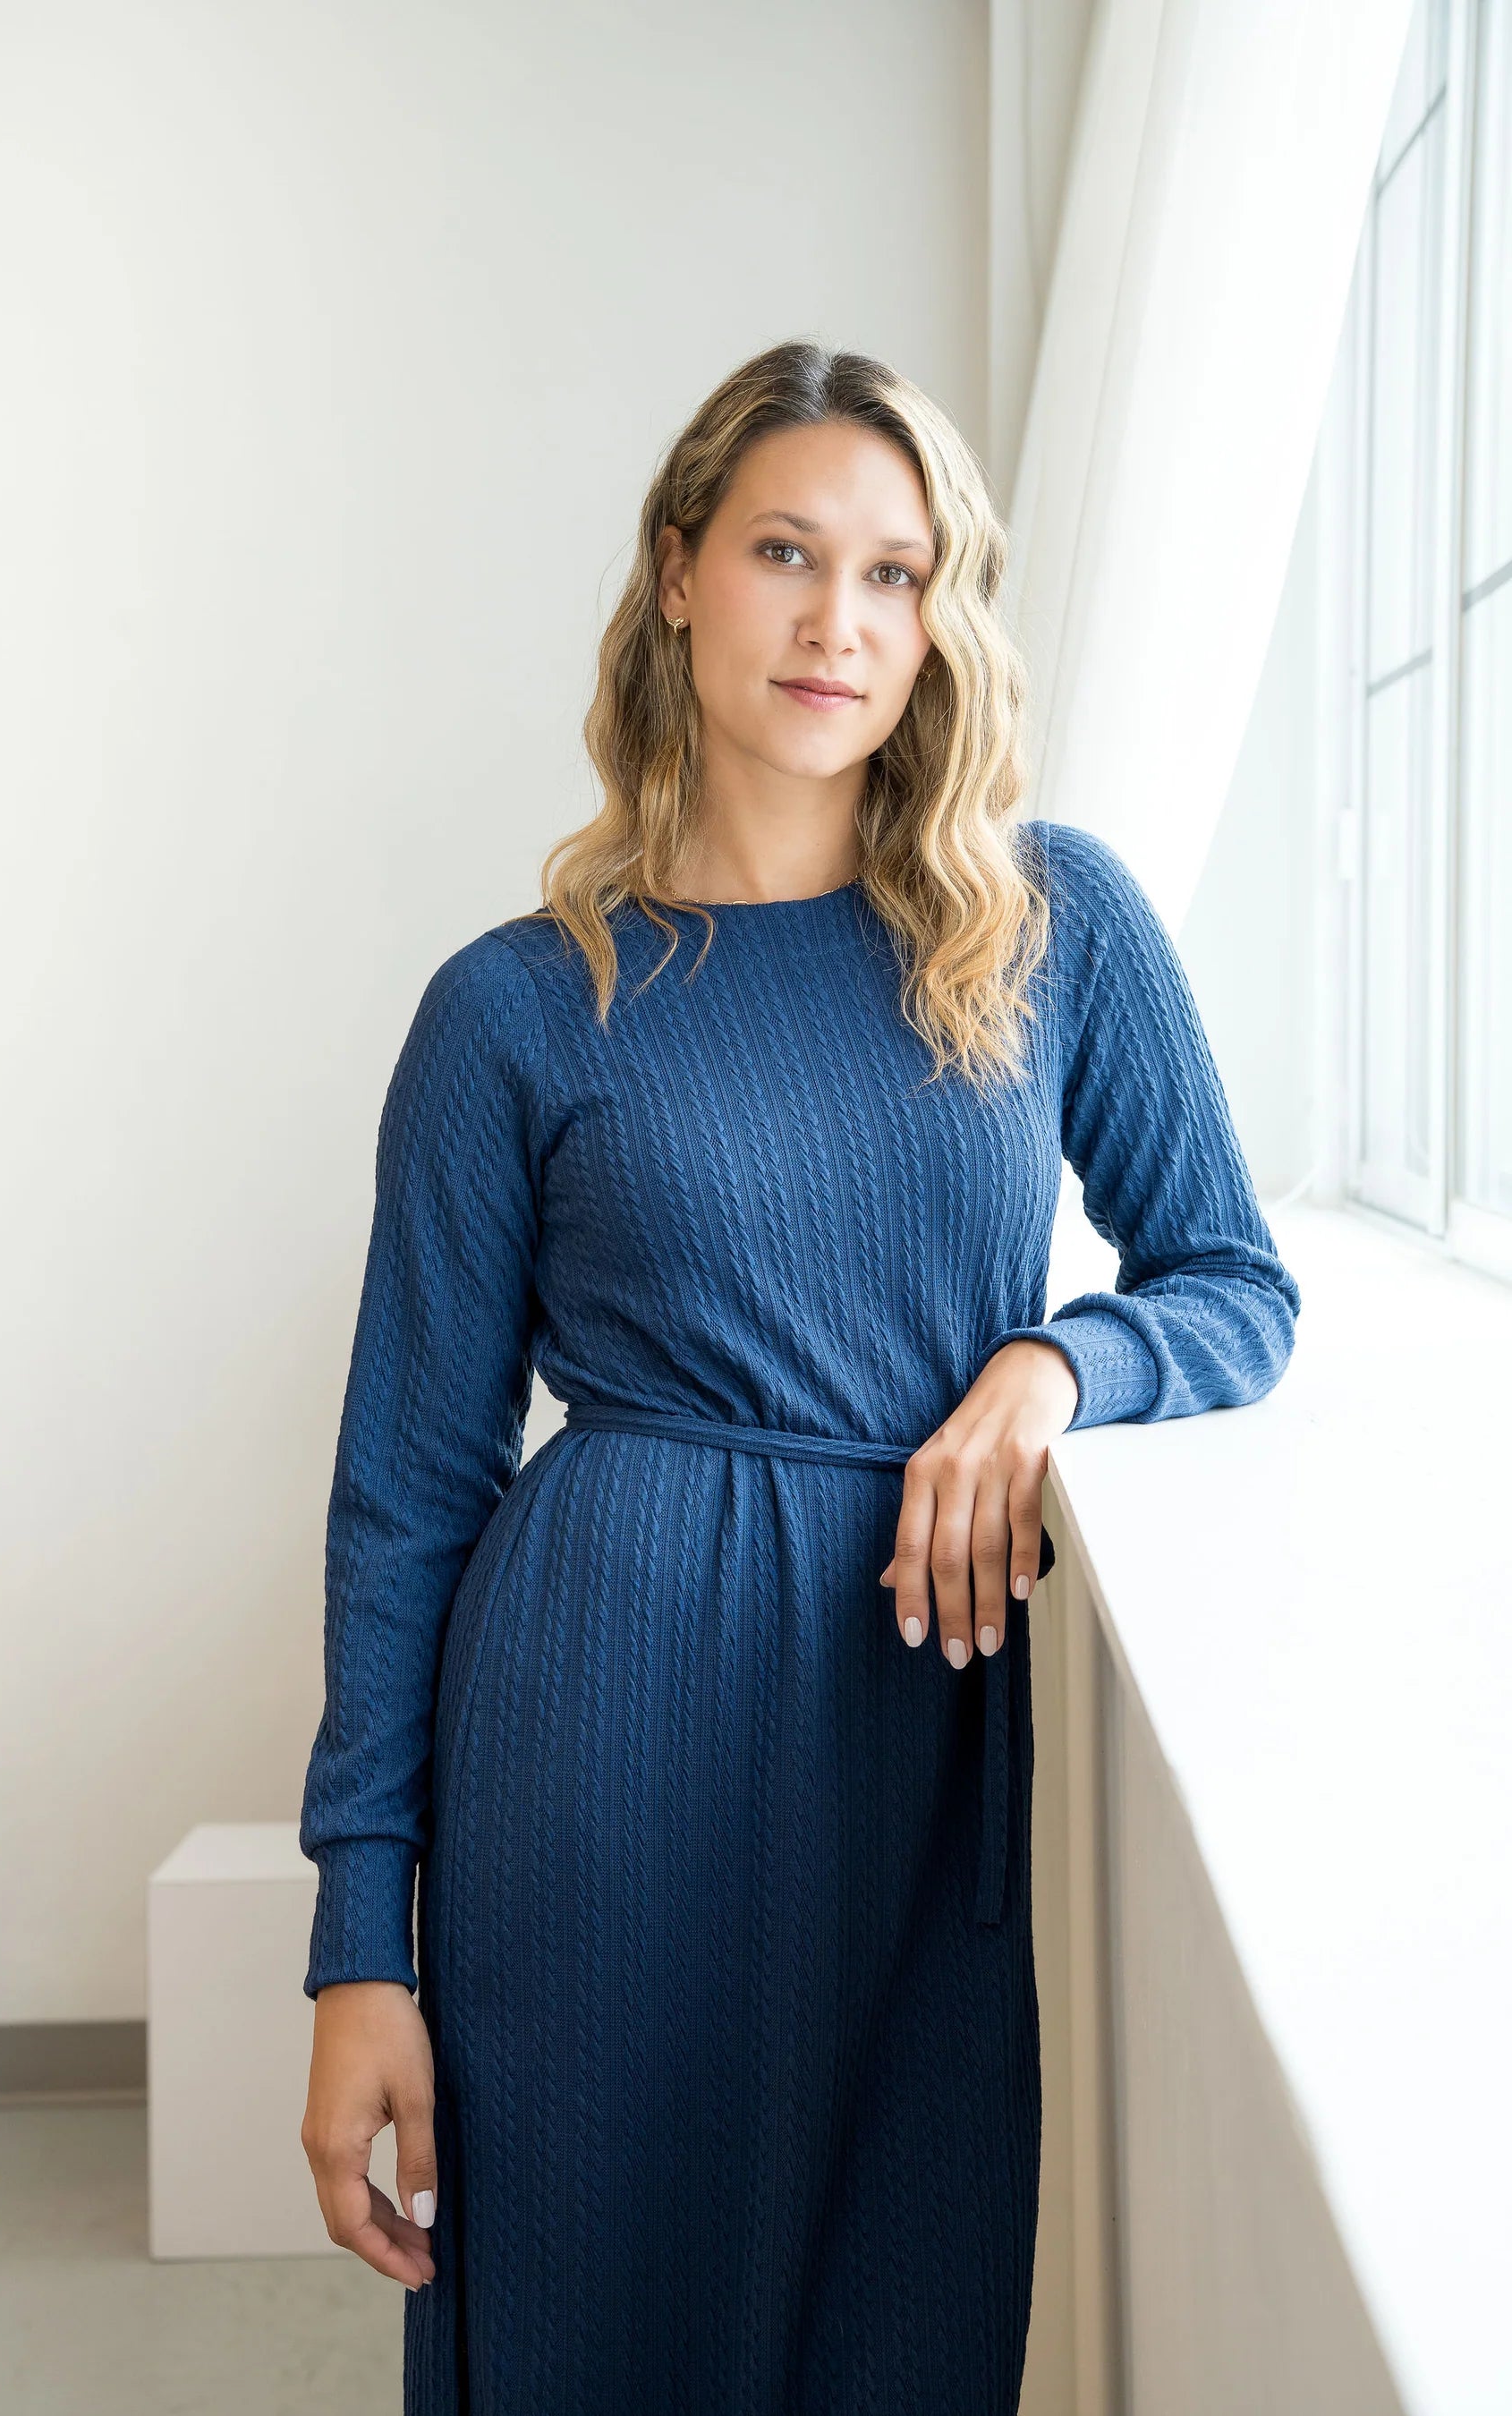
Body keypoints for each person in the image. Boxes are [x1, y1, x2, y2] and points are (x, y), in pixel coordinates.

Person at [297, 338, 1300, 2414]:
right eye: (783, 553)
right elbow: (406, 1496)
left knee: (903, 2318)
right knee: (589, 2325)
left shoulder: (1053, 925)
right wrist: (359, 1946)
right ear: (678, 574)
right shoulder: (512, 1010)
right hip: (588, 1747)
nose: (839, 620)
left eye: (894, 573)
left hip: (912, 1744)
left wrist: (1054, 1363)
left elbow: (1233, 1284)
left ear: (939, 622)